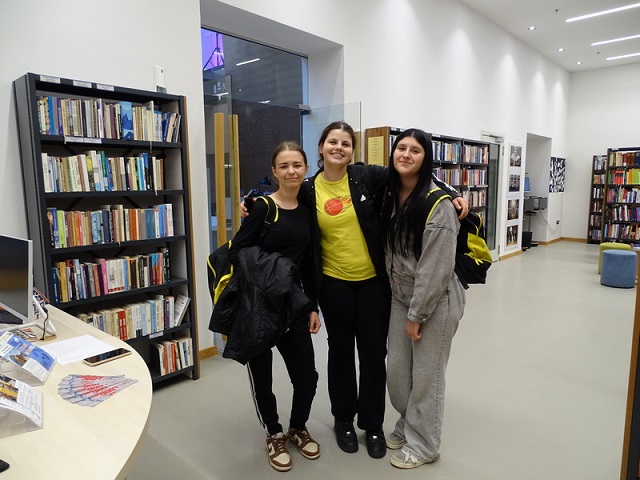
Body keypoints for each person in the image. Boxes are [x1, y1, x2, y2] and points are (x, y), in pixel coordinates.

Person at [242, 122, 468, 459]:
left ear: (352, 151)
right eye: (332, 142)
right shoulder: (308, 188)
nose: (339, 148)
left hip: (374, 283)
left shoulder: (366, 176)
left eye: (345, 143)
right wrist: (250, 201)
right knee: (340, 353)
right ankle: (344, 420)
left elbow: (412, 176)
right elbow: (279, 194)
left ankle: (373, 424)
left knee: (374, 355)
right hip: (333, 283)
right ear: (321, 147)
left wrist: (452, 193)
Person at [223, 141, 322, 472]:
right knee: (262, 379)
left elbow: (308, 264)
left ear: (306, 169)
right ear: (274, 172)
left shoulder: (308, 210)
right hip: (259, 309)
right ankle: (274, 433)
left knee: (306, 377)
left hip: (294, 308)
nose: (291, 171)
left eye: (297, 165)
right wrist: (276, 272)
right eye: (284, 166)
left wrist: (312, 306)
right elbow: (237, 251)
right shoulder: (263, 208)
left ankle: (297, 427)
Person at [380, 128, 465, 469]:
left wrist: (417, 315)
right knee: (398, 373)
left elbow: (435, 270)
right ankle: (409, 422)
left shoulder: (439, 205)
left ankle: (425, 444)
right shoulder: (389, 193)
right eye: (401, 147)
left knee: (428, 376)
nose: (406, 154)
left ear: (425, 158)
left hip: (435, 300)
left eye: (415, 150)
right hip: (400, 295)